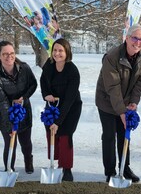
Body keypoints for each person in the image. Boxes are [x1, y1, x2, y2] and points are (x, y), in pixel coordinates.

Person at [95, 24, 141, 183]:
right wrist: (121, 112)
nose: (138, 42)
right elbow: (112, 87)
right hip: (106, 101)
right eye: (135, 38)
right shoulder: (112, 57)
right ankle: (110, 171)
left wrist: (133, 102)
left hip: (125, 102)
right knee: (110, 136)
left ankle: (125, 167)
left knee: (125, 136)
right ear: (127, 38)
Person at [0, 41, 37, 174]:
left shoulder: (24, 68)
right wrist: (9, 123)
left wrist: (24, 98)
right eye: (5, 54)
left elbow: (33, 85)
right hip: (5, 113)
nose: (9, 56)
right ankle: (9, 168)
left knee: (26, 141)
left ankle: (28, 160)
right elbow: (2, 101)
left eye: (11, 53)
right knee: (10, 143)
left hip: (24, 110)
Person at [40, 38, 82, 182]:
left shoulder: (72, 70)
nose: (57, 53)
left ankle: (66, 168)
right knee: (50, 132)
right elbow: (43, 81)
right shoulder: (49, 65)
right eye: (55, 50)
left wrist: (58, 121)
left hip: (70, 107)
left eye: (61, 51)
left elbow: (70, 99)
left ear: (67, 52)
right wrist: (46, 95)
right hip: (52, 105)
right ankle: (54, 160)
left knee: (65, 135)